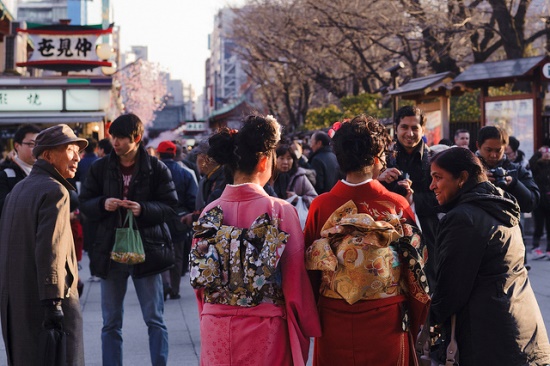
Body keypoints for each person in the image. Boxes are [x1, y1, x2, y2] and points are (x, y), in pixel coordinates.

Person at [190, 114, 321, 365]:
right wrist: (309, 324)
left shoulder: (210, 212)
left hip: (216, 325)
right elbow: (296, 284)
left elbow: (201, 283)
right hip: (265, 328)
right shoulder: (279, 211)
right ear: (264, 162)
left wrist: (210, 315)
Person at [304, 115, 430, 365]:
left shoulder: (321, 205)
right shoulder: (395, 204)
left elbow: (309, 272)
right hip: (386, 316)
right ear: (376, 160)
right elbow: (414, 268)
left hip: (334, 313)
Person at [428, 147, 550, 365]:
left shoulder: (463, 218)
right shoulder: (501, 202)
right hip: (524, 330)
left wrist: (430, 318)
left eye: (438, 177)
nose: (432, 185)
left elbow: (451, 288)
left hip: (490, 339)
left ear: (462, 178)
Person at [79, 113, 178, 366]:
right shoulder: (100, 168)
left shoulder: (156, 169)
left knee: (154, 318)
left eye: (121, 138)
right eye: (113, 137)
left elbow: (170, 207)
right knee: (110, 322)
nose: (115, 143)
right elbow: (85, 205)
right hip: (111, 252)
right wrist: (103, 203)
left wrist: (143, 209)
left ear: (136, 138)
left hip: (147, 250)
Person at [0, 124, 87, 365]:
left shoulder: (18, 189)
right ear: (48, 155)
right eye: (70, 150)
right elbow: (51, 251)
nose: (77, 157)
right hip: (46, 304)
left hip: (16, 303)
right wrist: (53, 304)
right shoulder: (55, 190)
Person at [378, 105, 440, 288]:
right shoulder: (383, 160)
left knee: (429, 286)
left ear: (423, 129)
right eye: (404, 127)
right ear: (396, 128)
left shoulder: (435, 160)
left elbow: (444, 198)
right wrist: (379, 179)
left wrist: (413, 200)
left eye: (415, 128)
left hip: (429, 234)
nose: (410, 133)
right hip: (390, 234)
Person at [157, 140, 197, 299]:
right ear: (175, 154)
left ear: (159, 154)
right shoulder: (185, 173)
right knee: (178, 254)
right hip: (179, 220)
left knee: (161, 251)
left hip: (159, 218)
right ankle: (175, 289)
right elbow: (192, 199)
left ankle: (164, 283)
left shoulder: (154, 172)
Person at [0, 124, 41, 215]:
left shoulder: (46, 172)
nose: (36, 149)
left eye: (39, 144)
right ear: (17, 146)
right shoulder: (6, 176)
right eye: (31, 144)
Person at [273, 143, 317, 208]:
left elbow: (314, 198)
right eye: (281, 158)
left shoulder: (300, 177)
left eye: (289, 158)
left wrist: (298, 198)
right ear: (275, 159)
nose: (285, 162)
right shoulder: (269, 177)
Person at [529, 144, 550, 258]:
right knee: (539, 225)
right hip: (539, 200)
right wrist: (537, 152)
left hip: (549, 200)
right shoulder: (537, 165)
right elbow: (531, 163)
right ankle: (535, 247)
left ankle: (549, 249)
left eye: (548, 152)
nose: (547, 154)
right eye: (545, 152)